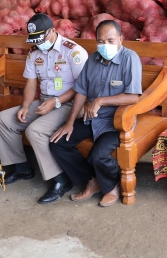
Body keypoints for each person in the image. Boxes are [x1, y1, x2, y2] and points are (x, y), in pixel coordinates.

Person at [0, 13, 89, 204]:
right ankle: (22, 168)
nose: (39, 44)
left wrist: (56, 102)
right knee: (3, 119)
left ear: (53, 31)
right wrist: (25, 106)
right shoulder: (34, 52)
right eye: (35, 41)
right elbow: (31, 83)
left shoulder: (73, 51)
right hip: (45, 100)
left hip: (70, 104)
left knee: (35, 131)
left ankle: (61, 180)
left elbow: (82, 86)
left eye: (42, 39)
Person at [49, 20, 142, 207]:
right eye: (101, 41)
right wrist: (69, 122)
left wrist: (101, 100)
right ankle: (92, 180)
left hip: (117, 121)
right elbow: (81, 91)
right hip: (91, 118)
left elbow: (133, 97)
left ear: (121, 39)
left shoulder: (130, 58)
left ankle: (111, 187)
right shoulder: (92, 59)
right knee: (58, 143)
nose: (105, 45)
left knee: (97, 155)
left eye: (110, 40)